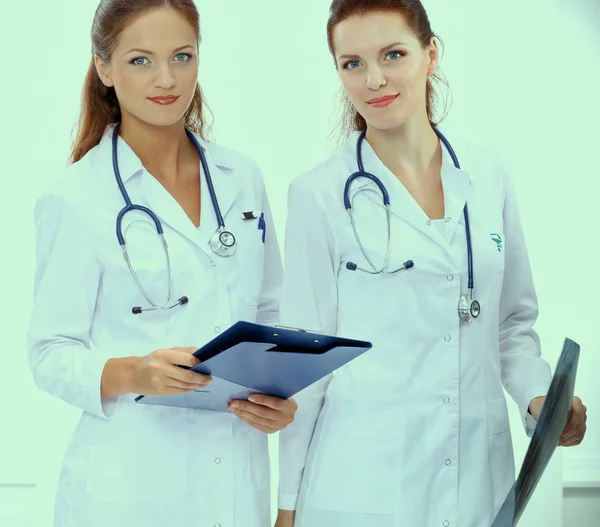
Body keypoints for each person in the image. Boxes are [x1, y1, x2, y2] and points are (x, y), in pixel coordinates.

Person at [272, 1, 588, 526]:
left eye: (393, 54)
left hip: (476, 479)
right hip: (360, 483)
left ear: (430, 54)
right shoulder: (318, 194)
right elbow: (306, 358)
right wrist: (286, 507)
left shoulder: (489, 175)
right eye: (352, 63)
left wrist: (540, 401)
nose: (375, 79)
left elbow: (510, 326)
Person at [26, 1, 296, 526]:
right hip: (130, 486)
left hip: (236, 482)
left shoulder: (241, 177)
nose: (166, 79)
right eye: (140, 60)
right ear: (104, 68)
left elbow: (270, 311)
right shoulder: (77, 197)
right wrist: (135, 371)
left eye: (182, 56)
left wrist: (280, 397)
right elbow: (49, 353)